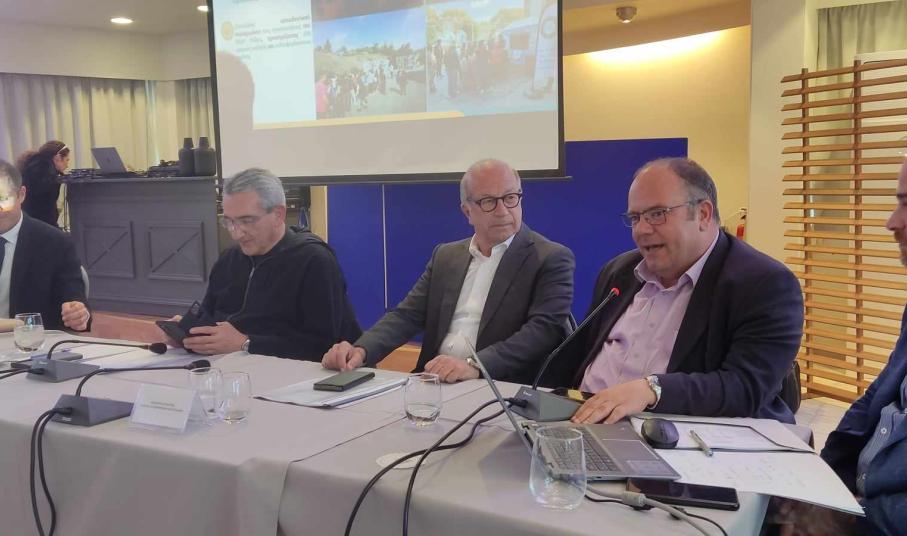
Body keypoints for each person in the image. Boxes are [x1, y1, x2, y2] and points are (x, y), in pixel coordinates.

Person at [545, 157, 803, 424]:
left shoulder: (765, 284)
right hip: (581, 421)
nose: (641, 230)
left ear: (703, 214)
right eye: (635, 217)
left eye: (657, 214)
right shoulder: (619, 271)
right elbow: (577, 356)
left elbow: (745, 387)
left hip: (674, 435)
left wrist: (651, 390)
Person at [322, 158, 575, 384]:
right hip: (433, 382)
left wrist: (474, 366)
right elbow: (407, 316)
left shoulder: (550, 258)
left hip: (496, 386)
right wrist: (361, 350)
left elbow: (542, 331)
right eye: (488, 201)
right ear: (467, 211)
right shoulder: (446, 255)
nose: (502, 211)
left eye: (510, 198)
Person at [770, 158, 907, 536]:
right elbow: (877, 398)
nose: (891, 222)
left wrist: (850, 520)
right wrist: (821, 484)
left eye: (906, 204)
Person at [160, 167, 361, 359]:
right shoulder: (229, 259)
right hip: (233, 369)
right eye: (229, 221)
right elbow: (211, 317)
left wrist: (247, 344)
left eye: (247, 221)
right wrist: (191, 333)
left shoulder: (314, 261)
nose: (236, 233)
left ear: (278, 215)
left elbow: (324, 346)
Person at [0, 159, 89, 331]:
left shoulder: (54, 243)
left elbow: (73, 299)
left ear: (21, 195)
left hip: (28, 342)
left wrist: (77, 313)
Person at [16, 140, 70, 227]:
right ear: (58, 157)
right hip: (41, 224)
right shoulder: (49, 177)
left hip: (26, 221)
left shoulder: (31, 168)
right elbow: (47, 210)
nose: (67, 165)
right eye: (67, 160)